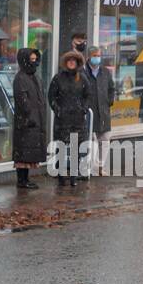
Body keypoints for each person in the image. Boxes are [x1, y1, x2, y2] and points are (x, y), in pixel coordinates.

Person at [48, 48, 89, 188]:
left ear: (77, 63)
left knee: (75, 149)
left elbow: (87, 96)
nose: (71, 63)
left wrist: (83, 109)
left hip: (77, 120)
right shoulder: (58, 78)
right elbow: (51, 97)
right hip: (62, 120)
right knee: (61, 148)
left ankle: (73, 176)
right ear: (66, 63)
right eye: (69, 61)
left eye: (74, 61)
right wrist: (58, 110)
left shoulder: (82, 78)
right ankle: (61, 176)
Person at [12, 46, 47, 189]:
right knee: (23, 151)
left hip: (34, 120)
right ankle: (22, 180)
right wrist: (30, 116)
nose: (34, 62)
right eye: (31, 59)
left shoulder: (34, 77)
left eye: (35, 59)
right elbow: (23, 100)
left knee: (29, 151)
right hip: (26, 122)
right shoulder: (20, 78)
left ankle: (25, 179)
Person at [83, 43, 116, 177]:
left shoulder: (105, 71)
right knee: (90, 141)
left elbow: (111, 88)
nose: (97, 58)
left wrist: (109, 101)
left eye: (98, 56)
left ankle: (100, 167)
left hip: (103, 110)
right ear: (88, 57)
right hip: (89, 111)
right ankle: (89, 168)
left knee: (105, 140)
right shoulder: (83, 72)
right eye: (94, 56)